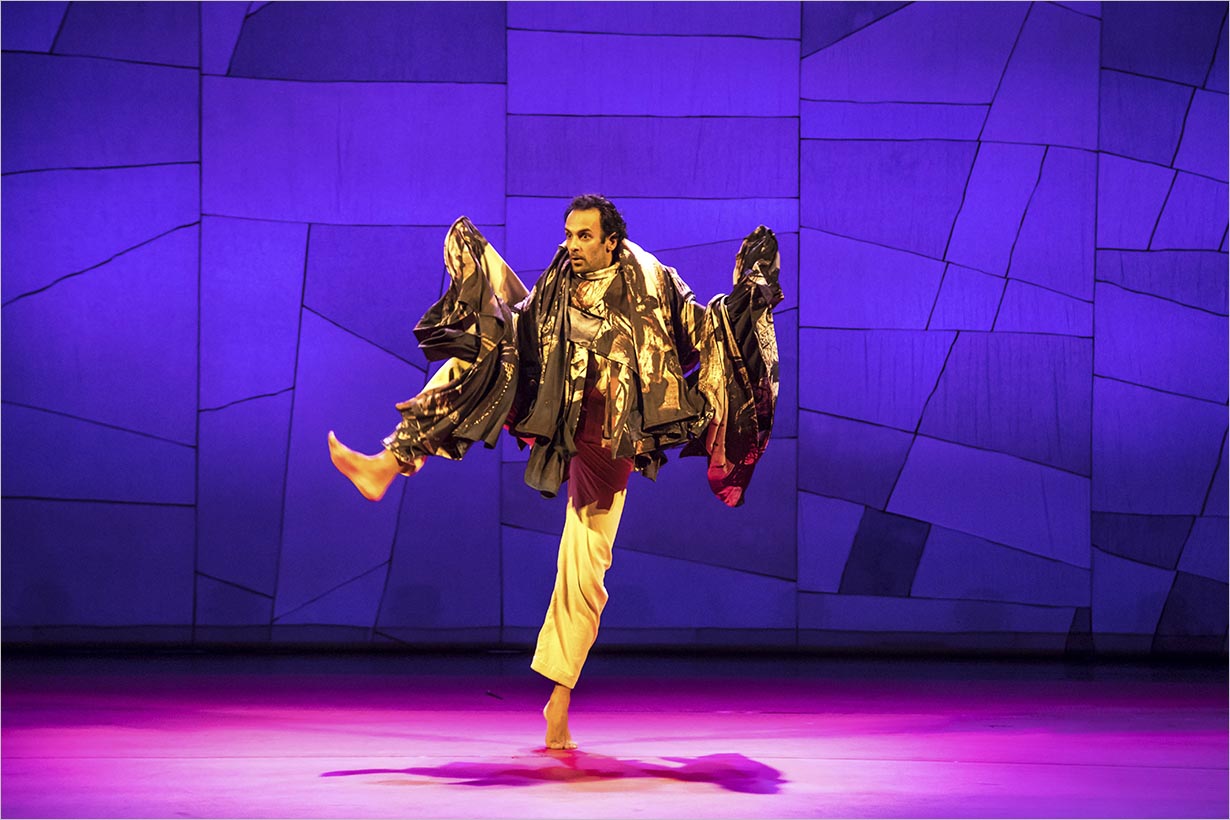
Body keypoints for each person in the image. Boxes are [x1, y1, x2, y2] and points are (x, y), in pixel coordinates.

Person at [328, 195, 782, 750]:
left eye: (583, 236)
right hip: (550, 404)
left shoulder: (653, 278)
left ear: (611, 240)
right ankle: (389, 463)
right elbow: (524, 325)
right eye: (568, 234)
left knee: (585, 568)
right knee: (476, 353)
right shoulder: (559, 277)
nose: (571, 245)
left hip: (610, 437)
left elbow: (696, 336)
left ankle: (559, 702)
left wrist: (744, 301)